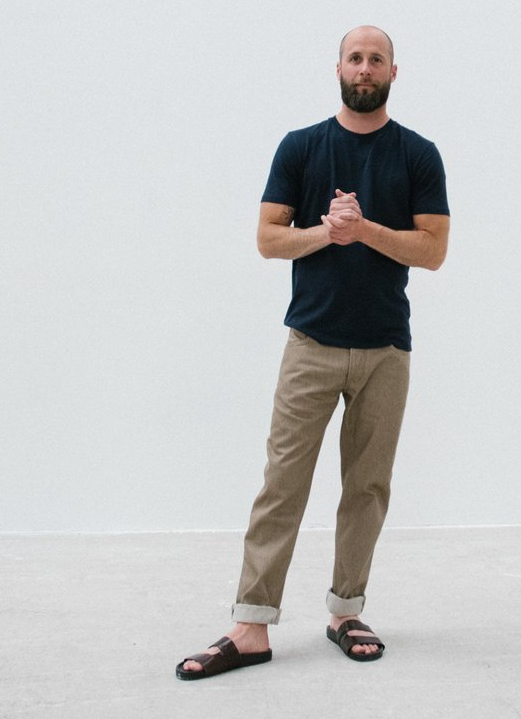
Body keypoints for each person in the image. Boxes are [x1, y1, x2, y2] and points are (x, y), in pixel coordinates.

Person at [176, 24, 450, 680]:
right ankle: (250, 625)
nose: (364, 68)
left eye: (375, 59)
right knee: (282, 483)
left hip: (386, 348)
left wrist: (366, 230)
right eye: (355, 58)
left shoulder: (418, 155)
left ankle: (345, 609)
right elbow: (269, 239)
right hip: (312, 342)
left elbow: (433, 250)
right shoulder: (301, 148)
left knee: (367, 487)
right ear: (337, 67)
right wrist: (327, 232)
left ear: (393, 71)